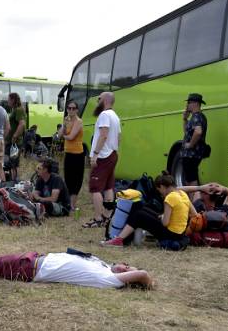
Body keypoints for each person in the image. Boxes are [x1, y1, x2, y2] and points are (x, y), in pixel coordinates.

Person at [0, 250, 154, 290]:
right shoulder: (102, 265)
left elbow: (143, 275)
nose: (124, 266)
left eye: (127, 269)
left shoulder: (107, 279)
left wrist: (150, 284)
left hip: (33, 268)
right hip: (36, 260)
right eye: (126, 264)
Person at [101, 174, 196, 250]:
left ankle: (119, 240)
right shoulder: (183, 194)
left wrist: (164, 217)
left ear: (162, 186)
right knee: (142, 208)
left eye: (159, 190)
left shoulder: (170, 197)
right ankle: (121, 238)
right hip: (179, 234)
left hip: (170, 234)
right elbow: (194, 214)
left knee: (139, 215)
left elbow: (165, 223)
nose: (160, 193)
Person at [83, 92, 121, 229]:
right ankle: (107, 216)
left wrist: (95, 154)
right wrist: (113, 149)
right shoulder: (115, 116)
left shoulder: (104, 115)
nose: (97, 101)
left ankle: (98, 218)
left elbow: (103, 135)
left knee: (96, 187)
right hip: (112, 153)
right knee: (109, 186)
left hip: (103, 156)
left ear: (105, 100)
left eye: (99, 99)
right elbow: (119, 137)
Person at [180, 93, 208, 187]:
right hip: (192, 154)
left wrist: (190, 144)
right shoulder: (196, 117)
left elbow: (198, 132)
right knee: (190, 178)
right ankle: (194, 195)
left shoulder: (197, 117)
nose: (187, 105)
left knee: (191, 179)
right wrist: (185, 119)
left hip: (191, 154)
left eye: (189, 102)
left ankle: (194, 196)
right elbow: (186, 132)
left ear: (195, 103)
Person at [62, 101, 85, 211]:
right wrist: (64, 124)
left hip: (77, 154)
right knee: (68, 178)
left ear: (77, 110)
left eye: (73, 108)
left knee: (76, 180)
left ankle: (72, 205)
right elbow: (61, 133)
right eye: (69, 108)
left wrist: (64, 136)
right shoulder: (66, 120)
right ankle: (68, 203)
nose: (71, 110)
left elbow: (71, 137)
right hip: (68, 153)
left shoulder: (79, 121)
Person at [6, 92, 27, 180]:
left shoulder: (19, 110)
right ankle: (12, 180)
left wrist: (14, 136)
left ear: (13, 100)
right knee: (11, 164)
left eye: (8, 99)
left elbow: (22, 124)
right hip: (11, 142)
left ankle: (15, 182)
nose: (7, 101)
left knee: (14, 164)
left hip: (15, 142)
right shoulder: (14, 110)